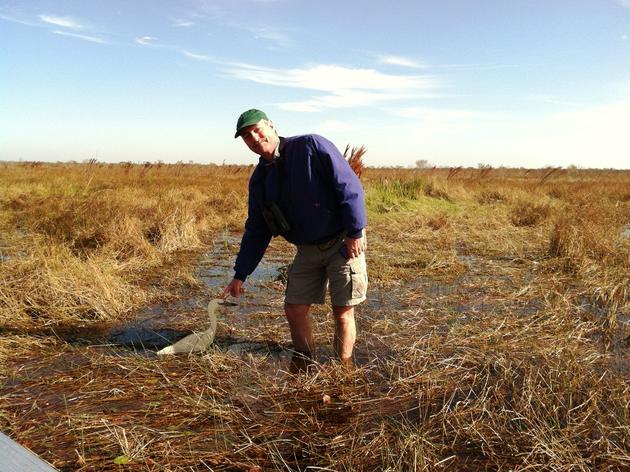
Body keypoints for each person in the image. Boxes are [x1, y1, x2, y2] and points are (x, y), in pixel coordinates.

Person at [223, 109, 368, 364]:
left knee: (342, 311)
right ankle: (305, 359)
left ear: (271, 125)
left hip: (342, 243)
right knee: (294, 309)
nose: (254, 138)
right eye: (247, 136)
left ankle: (343, 368)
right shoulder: (260, 180)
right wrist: (240, 274)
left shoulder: (310, 146)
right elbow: (257, 229)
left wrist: (355, 231)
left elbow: (350, 188)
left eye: (257, 129)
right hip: (306, 251)